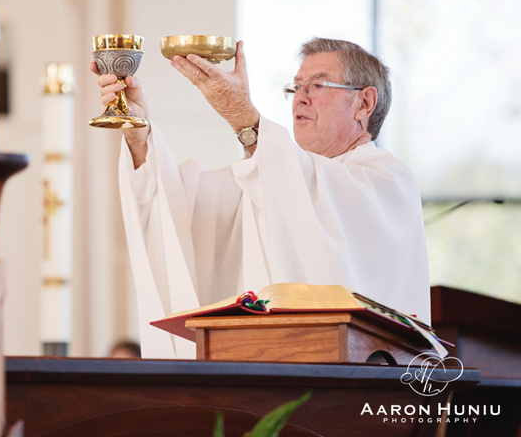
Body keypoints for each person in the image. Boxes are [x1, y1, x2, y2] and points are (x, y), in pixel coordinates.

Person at [91, 38, 430, 359]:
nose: (300, 97)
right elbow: (177, 209)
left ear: (364, 103)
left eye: (317, 85)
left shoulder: (387, 181)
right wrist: (138, 131)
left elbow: (316, 204)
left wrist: (243, 117)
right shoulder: (271, 180)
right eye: (296, 87)